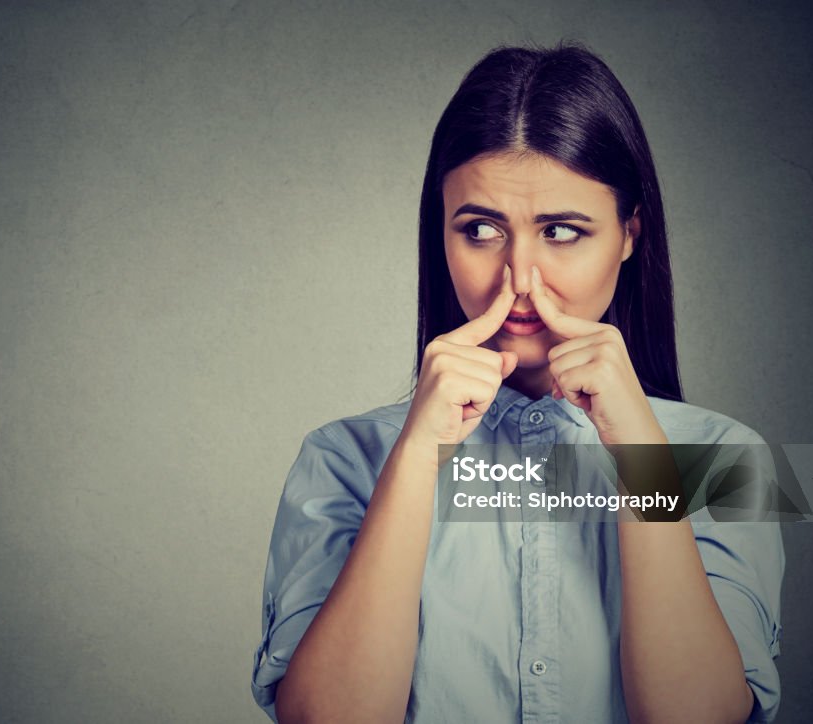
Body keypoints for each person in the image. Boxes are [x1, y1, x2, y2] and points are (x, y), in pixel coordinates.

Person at [251, 43, 784, 723]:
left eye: (562, 230)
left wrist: (638, 449)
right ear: (439, 235)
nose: (520, 279)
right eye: (480, 230)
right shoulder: (341, 460)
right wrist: (417, 456)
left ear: (629, 234)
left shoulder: (731, 460)